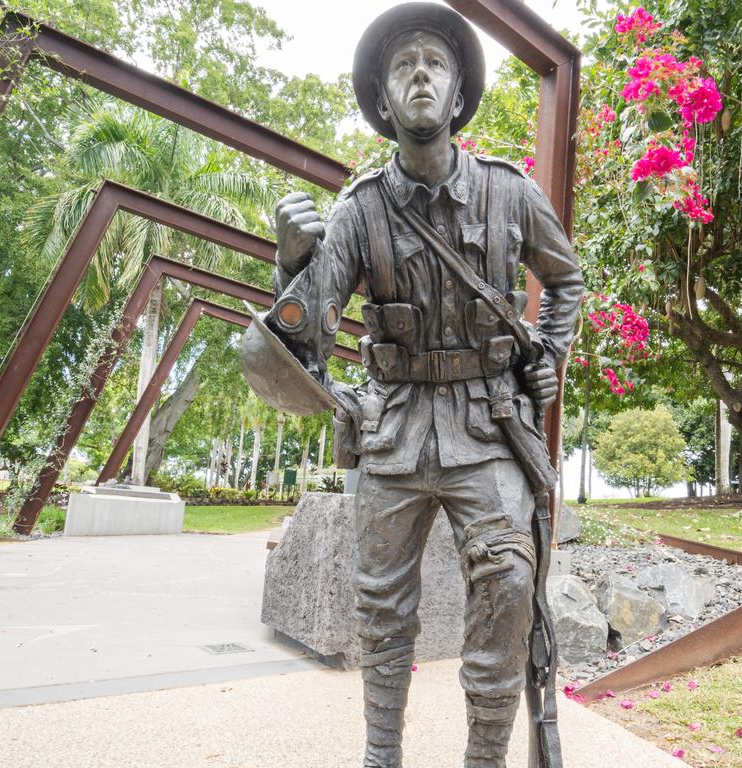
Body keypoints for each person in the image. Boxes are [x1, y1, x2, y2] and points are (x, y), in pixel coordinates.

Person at [244, 4, 583, 766]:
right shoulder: (360, 209)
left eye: (435, 63)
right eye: (404, 67)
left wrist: (549, 365)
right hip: (394, 431)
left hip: (488, 426)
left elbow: (566, 281)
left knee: (506, 590)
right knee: (381, 611)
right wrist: (291, 264)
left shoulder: (510, 194)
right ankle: (381, 756)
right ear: (384, 98)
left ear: (459, 94)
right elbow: (309, 331)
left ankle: (484, 759)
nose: (420, 75)